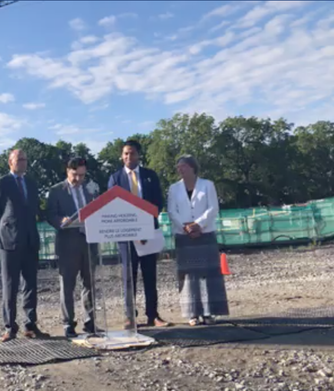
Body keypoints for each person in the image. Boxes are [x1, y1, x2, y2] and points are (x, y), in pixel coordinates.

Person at [107, 140, 172, 328]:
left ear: (139, 155)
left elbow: (157, 203)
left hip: (149, 233)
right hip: (126, 237)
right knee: (129, 278)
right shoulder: (115, 178)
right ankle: (130, 317)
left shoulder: (150, 176)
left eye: (132, 153)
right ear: (121, 155)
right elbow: (113, 206)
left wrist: (143, 228)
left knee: (150, 275)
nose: (129, 157)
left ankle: (153, 315)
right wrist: (133, 230)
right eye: (125, 154)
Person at [0, 149, 50, 342]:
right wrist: (5, 229)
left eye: (25, 159)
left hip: (30, 240)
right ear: (10, 162)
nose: (23, 162)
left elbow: (34, 210)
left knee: (30, 284)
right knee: (10, 285)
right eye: (19, 159)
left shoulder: (31, 183)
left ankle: (30, 325)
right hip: (9, 242)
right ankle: (10, 327)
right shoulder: (2, 183)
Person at [167, 155, 229, 326]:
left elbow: (213, 207)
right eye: (178, 166)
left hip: (205, 234)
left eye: (184, 166)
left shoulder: (207, 185)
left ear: (193, 167)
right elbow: (172, 211)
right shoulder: (174, 188)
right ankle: (192, 313)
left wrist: (198, 225)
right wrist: (185, 227)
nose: (180, 169)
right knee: (188, 276)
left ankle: (210, 313)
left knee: (209, 274)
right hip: (183, 235)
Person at [46, 157, 99, 338]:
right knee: (67, 285)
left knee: (89, 283)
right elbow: (50, 214)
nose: (79, 179)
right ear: (67, 171)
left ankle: (90, 322)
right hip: (68, 243)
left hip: (89, 241)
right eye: (75, 175)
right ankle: (68, 324)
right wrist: (61, 220)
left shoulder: (91, 188)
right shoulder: (56, 191)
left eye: (82, 175)